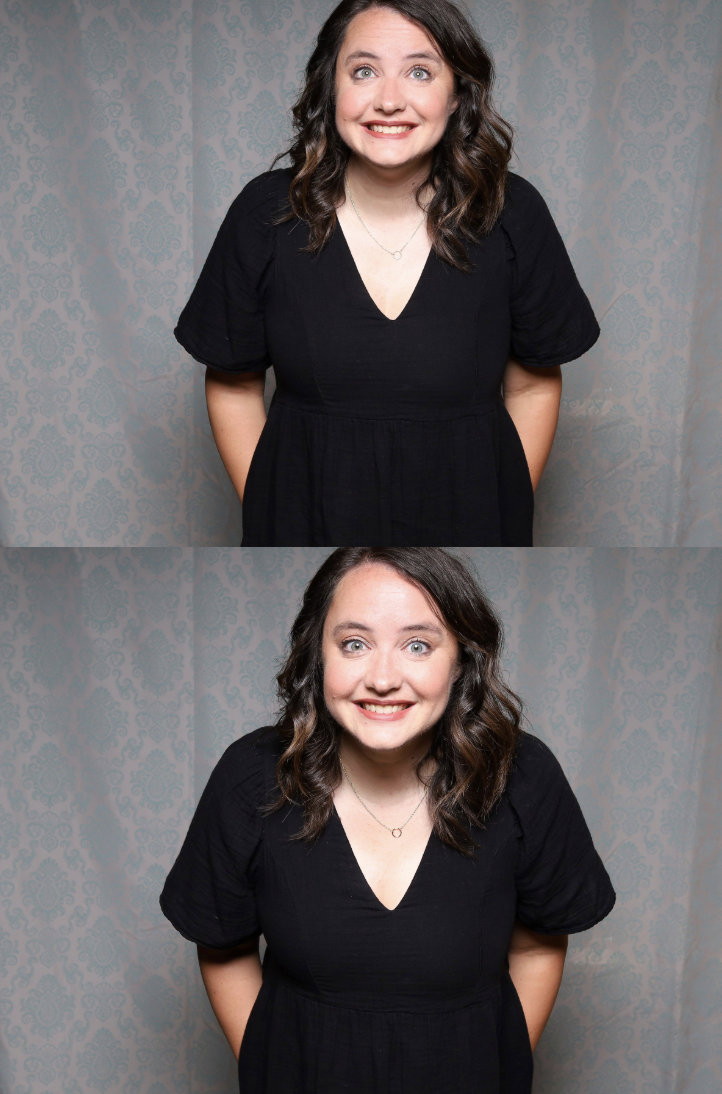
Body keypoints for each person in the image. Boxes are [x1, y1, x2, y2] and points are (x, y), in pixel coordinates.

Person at [160, 547, 615, 1094]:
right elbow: (223, 946)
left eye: (417, 645)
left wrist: (496, 1064)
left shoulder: (524, 775)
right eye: (354, 644)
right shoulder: (250, 776)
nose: (382, 678)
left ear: (461, 660)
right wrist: (271, 1067)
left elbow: (540, 945)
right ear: (317, 656)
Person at [174, 0, 600, 547]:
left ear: (456, 94)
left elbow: (534, 383)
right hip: (303, 518)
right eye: (364, 71)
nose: (390, 100)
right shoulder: (265, 213)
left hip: (473, 515)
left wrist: (503, 503)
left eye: (420, 71)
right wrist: (272, 506)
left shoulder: (512, 212)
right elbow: (232, 382)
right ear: (332, 89)